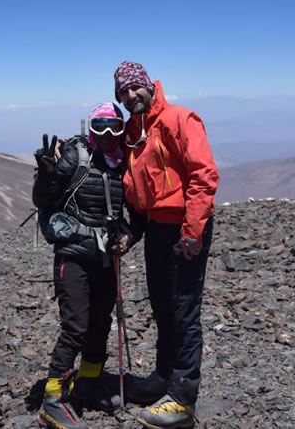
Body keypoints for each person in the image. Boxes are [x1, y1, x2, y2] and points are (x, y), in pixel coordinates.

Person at [111, 61, 219, 429]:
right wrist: (133, 230)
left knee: (184, 311)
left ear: (149, 86)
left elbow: (203, 175)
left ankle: (183, 400)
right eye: (123, 91)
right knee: (162, 305)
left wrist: (192, 230)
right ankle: (163, 377)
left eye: (135, 88)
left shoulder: (179, 119)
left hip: (184, 230)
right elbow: (141, 189)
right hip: (156, 229)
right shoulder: (132, 132)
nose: (130, 95)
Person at [32, 102, 133, 429]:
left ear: (121, 129)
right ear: (90, 127)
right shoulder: (75, 157)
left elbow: (135, 212)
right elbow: (42, 201)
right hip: (72, 255)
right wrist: (47, 174)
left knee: (100, 323)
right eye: (100, 125)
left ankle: (88, 381)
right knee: (75, 326)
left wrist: (128, 238)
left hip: (105, 257)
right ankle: (52, 399)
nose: (107, 134)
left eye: (114, 126)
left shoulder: (124, 164)